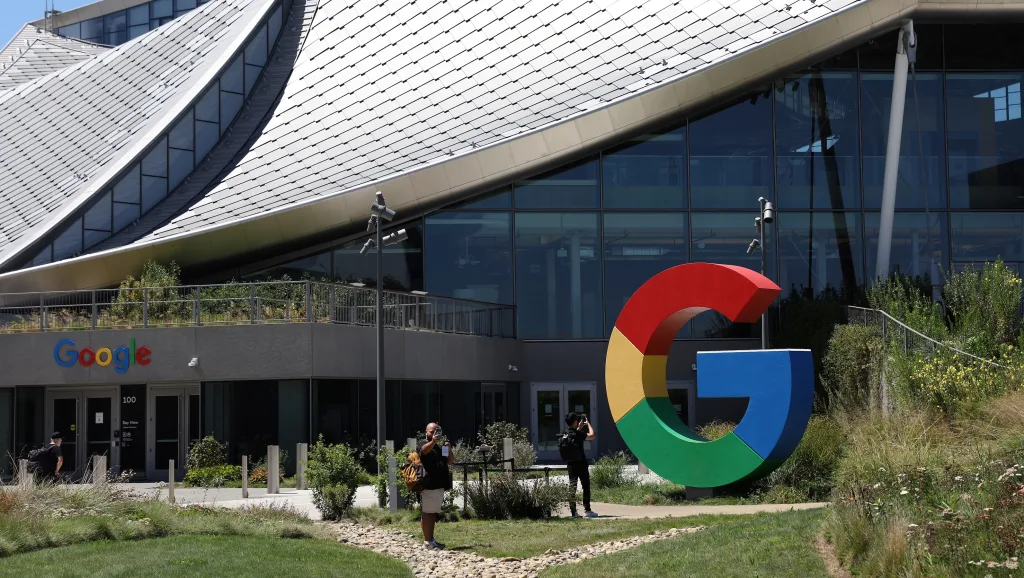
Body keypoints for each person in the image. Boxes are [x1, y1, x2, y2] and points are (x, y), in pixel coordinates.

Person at [416, 422, 454, 549]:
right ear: (426, 432)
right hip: (429, 485)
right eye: (431, 431)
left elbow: (450, 461)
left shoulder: (439, 447)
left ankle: (431, 540)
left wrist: (449, 449)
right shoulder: (423, 444)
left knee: (432, 513)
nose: (434, 434)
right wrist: (433, 441)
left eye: (437, 431)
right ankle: (427, 541)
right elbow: (423, 451)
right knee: (427, 513)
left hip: (439, 486)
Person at [563, 412, 597, 518]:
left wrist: (579, 428)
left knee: (572, 487)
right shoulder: (578, 434)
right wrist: (588, 424)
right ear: (574, 422)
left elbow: (575, 435)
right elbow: (592, 436)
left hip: (571, 465)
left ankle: (574, 512)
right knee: (585, 486)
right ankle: (587, 510)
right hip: (581, 464)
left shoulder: (566, 434)